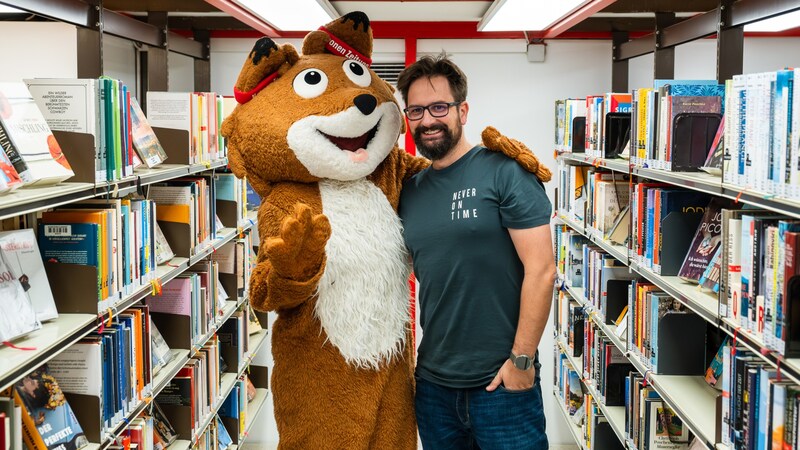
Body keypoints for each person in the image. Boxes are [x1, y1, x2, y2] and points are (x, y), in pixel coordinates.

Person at [397, 53, 556, 449]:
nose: (427, 120)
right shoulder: (409, 191)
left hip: (502, 385)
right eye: (415, 110)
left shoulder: (505, 171)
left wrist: (521, 361)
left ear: (462, 110)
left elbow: (542, 270)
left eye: (438, 107)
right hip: (433, 386)